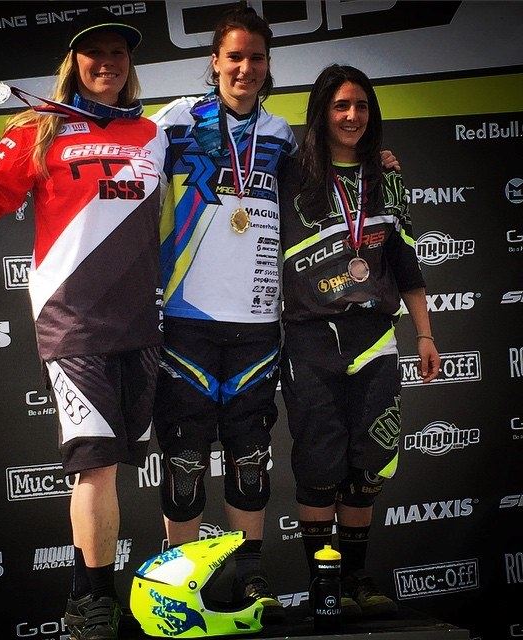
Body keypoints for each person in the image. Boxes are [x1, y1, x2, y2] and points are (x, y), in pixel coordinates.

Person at [0, 10, 167, 640]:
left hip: (139, 324)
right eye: (95, 53)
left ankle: (82, 594)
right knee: (94, 464)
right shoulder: (39, 129)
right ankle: (94, 601)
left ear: (129, 65)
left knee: (113, 468)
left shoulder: (154, 133)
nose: (108, 63)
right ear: (74, 63)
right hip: (73, 324)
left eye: (118, 53)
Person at [149, 3, 296, 622]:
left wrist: (380, 163)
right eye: (234, 56)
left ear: (267, 65)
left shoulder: (283, 134)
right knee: (184, 462)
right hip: (186, 320)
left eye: (256, 58)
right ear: (214, 62)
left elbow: (324, 186)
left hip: (258, 323)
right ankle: (176, 587)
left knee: (250, 458)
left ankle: (249, 579)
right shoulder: (176, 122)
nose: (245, 68)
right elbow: (123, 179)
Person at [279, 63, 440, 618]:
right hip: (310, 339)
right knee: (319, 467)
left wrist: (424, 332)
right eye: (341, 105)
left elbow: (404, 259)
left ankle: (356, 579)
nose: (352, 116)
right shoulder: (289, 174)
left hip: (374, 336)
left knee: (368, 466)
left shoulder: (386, 177)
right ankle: (323, 585)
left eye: (362, 106)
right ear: (321, 112)